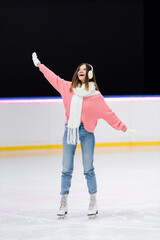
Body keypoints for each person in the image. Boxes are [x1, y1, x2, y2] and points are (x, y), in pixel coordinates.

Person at [32, 52, 132, 217]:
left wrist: (123, 128)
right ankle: (63, 201)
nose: (81, 70)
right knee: (66, 169)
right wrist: (39, 65)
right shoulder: (67, 88)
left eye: (85, 69)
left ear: (90, 75)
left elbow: (109, 114)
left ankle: (93, 200)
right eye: (80, 68)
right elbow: (52, 77)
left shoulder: (95, 97)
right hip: (69, 130)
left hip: (87, 132)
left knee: (88, 169)